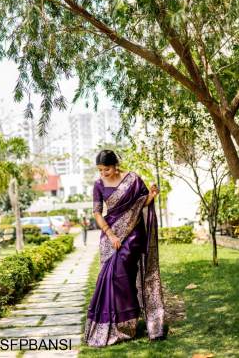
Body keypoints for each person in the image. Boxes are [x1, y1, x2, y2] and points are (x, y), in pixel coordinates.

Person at [83, 149, 167, 347]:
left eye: (107, 169)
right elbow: (97, 213)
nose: (103, 173)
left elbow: (141, 204)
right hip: (109, 235)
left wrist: (152, 195)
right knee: (110, 278)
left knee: (123, 276)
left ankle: (127, 323)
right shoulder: (98, 185)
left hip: (133, 235)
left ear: (115, 165)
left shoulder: (133, 179)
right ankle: (115, 324)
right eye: (100, 170)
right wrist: (110, 234)